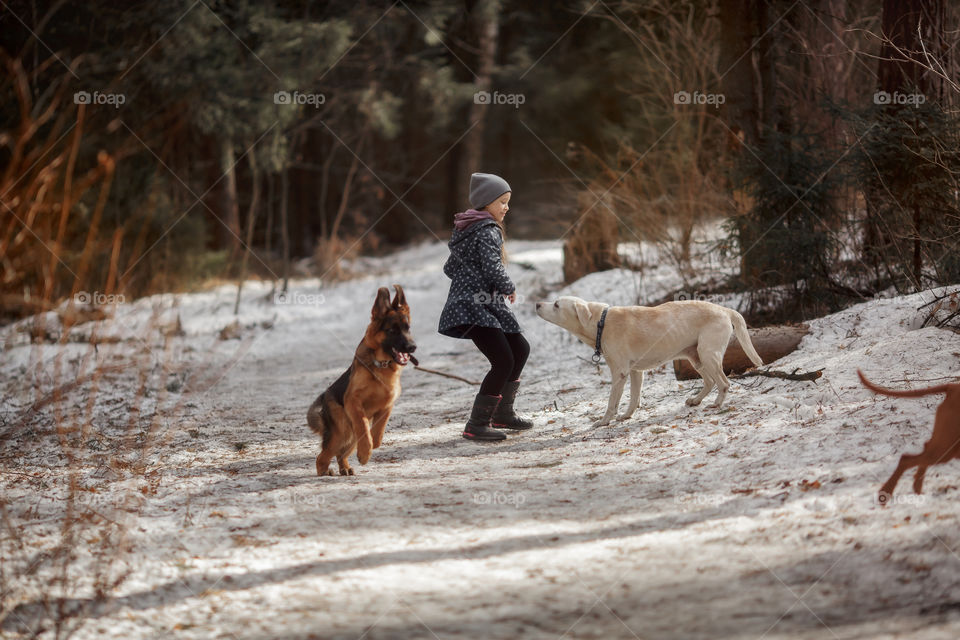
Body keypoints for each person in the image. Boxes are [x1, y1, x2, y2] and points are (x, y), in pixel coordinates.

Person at [438, 172, 533, 441]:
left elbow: (449, 268)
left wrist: (470, 276)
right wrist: (508, 286)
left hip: (481, 305)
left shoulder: (466, 229)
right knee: (502, 360)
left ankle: (502, 413)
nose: (506, 207)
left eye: (508, 202)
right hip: (475, 307)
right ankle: (477, 424)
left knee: (519, 348)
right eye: (502, 201)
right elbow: (492, 266)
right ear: (486, 202)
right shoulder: (489, 230)